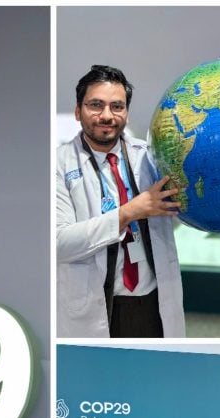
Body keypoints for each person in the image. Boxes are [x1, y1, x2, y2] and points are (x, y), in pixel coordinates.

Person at [57, 64, 185, 338]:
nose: (107, 116)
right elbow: (59, 243)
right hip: (97, 309)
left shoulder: (150, 157)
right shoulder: (58, 164)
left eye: (117, 106)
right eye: (96, 105)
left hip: (153, 301)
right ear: (78, 111)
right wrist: (127, 213)